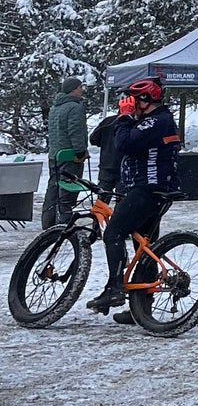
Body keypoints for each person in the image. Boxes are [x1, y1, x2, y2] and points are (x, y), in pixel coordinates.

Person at [86, 78, 183, 323]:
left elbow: (123, 143)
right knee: (147, 248)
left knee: (113, 233)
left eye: (132, 99)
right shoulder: (157, 120)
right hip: (151, 189)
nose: (128, 103)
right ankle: (141, 308)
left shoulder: (155, 120)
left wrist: (125, 116)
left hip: (147, 189)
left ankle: (114, 288)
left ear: (144, 100)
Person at [42, 76, 90, 225]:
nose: (82, 91)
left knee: (53, 188)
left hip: (55, 155)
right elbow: (75, 131)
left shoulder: (55, 107)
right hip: (71, 156)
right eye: (79, 87)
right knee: (68, 191)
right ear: (73, 90)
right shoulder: (75, 108)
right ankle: (65, 222)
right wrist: (80, 152)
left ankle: (48, 221)